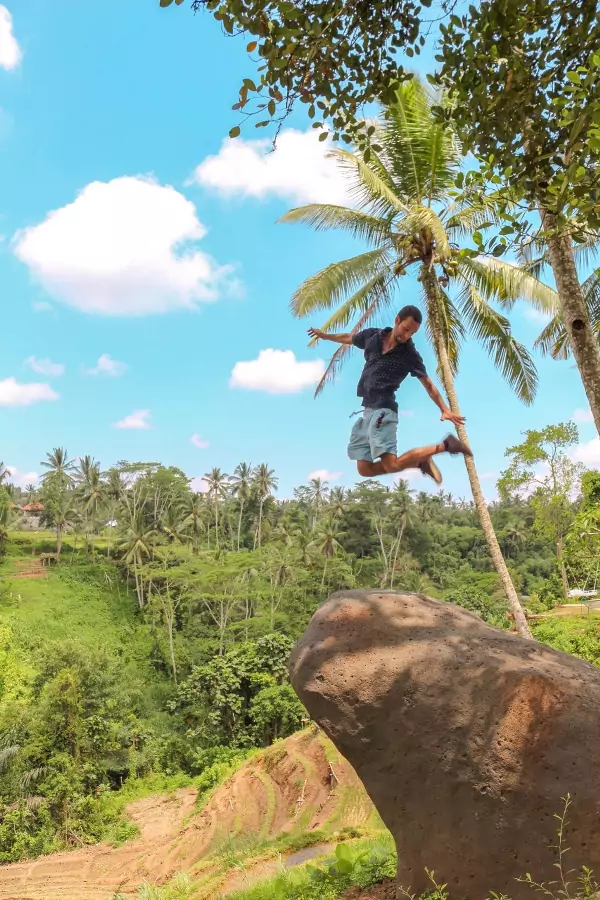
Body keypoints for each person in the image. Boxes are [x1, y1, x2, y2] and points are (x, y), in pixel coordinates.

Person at [308, 305, 473, 484]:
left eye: (412, 333)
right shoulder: (372, 336)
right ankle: (419, 462)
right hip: (367, 411)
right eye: (406, 329)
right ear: (397, 321)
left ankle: (446, 445)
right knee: (364, 470)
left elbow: (428, 384)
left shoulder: (409, 354)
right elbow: (349, 337)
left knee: (392, 465)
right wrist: (324, 335)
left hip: (384, 409)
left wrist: (444, 409)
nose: (407, 335)